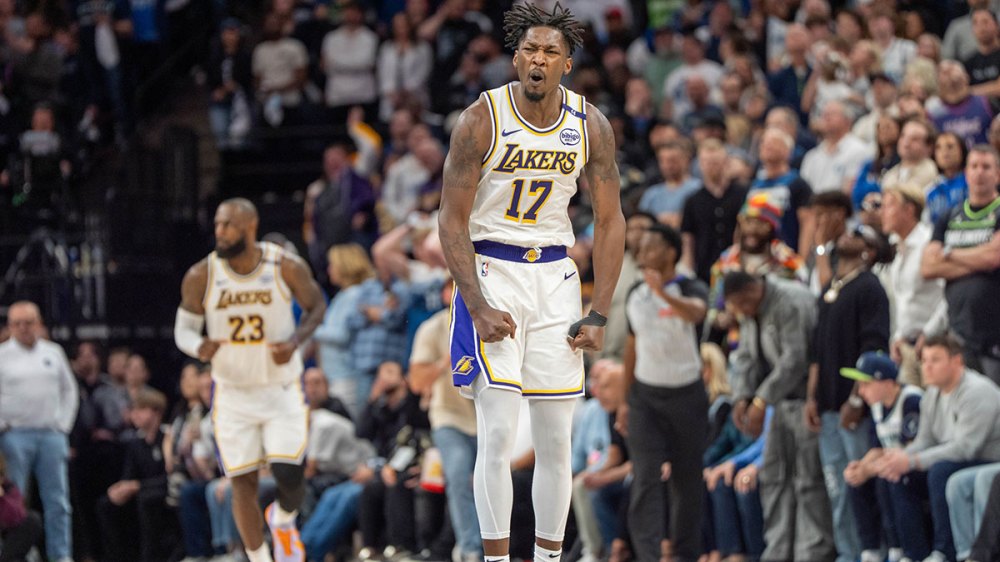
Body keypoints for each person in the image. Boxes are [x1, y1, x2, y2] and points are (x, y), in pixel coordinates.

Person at [437, 4, 626, 561]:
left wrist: (599, 310)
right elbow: (450, 219)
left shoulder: (590, 125)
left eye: (550, 52)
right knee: (497, 432)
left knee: (555, 439)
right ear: (515, 58)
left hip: (557, 278)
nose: (538, 59)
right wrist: (476, 304)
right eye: (530, 50)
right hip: (493, 270)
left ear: (567, 63)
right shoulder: (480, 118)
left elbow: (611, 220)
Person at [174, 198, 327, 562]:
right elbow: (184, 329)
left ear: (250, 226)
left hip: (280, 389)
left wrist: (295, 341)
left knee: (290, 475)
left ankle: (283, 519)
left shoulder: (283, 265)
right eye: (218, 224)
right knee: (242, 481)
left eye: (228, 225)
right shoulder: (201, 274)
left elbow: (317, 306)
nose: (220, 232)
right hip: (232, 394)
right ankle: (259, 558)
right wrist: (198, 346)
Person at [723, 272, 835, 562]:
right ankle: (779, 551)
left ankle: (812, 551)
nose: (742, 312)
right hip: (778, 404)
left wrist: (761, 400)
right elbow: (745, 356)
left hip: (805, 400)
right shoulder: (750, 311)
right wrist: (742, 397)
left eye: (742, 305)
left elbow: (795, 360)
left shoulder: (789, 301)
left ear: (752, 292)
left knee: (808, 479)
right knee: (774, 477)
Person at [621, 224, 709, 562]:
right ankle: (648, 554)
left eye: (650, 247)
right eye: (640, 247)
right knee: (645, 477)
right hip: (645, 398)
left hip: (687, 396)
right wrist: (626, 401)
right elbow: (631, 348)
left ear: (670, 252)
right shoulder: (635, 293)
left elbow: (696, 313)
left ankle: (685, 554)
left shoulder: (690, 286)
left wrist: (664, 294)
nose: (642, 253)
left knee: (687, 481)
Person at [876, 334, 1000, 562]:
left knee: (940, 472)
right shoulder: (932, 393)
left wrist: (912, 461)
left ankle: (946, 552)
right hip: (954, 458)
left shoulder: (977, 391)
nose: (927, 367)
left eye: (935, 360)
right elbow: (925, 440)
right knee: (896, 475)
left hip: (987, 459)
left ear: (957, 361)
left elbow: (966, 448)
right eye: (924, 360)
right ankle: (912, 553)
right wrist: (899, 458)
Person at [0, 301, 78, 562]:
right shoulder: (2, 355)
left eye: (28, 322)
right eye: (17, 323)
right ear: (10, 326)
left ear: (39, 323)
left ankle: (60, 554)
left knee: (58, 501)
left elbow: (70, 390)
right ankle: (16, 553)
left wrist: (63, 425)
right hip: (14, 436)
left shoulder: (53, 352)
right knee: (14, 502)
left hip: (51, 435)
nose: (23, 328)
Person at [921, 145, 1000, 384]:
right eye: (974, 166)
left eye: (986, 167)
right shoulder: (950, 215)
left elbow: (994, 257)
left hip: (994, 335)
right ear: (966, 173)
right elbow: (928, 267)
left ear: (997, 174)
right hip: (959, 333)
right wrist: (979, 259)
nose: (979, 172)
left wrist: (949, 253)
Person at [839, 352, 925, 562]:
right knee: (856, 480)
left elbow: (910, 449)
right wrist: (860, 467)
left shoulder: (911, 399)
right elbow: (878, 448)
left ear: (885, 382)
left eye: (866, 384)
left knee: (889, 477)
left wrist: (869, 469)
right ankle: (871, 550)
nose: (861, 391)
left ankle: (904, 550)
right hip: (894, 463)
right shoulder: (876, 406)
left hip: (918, 465)